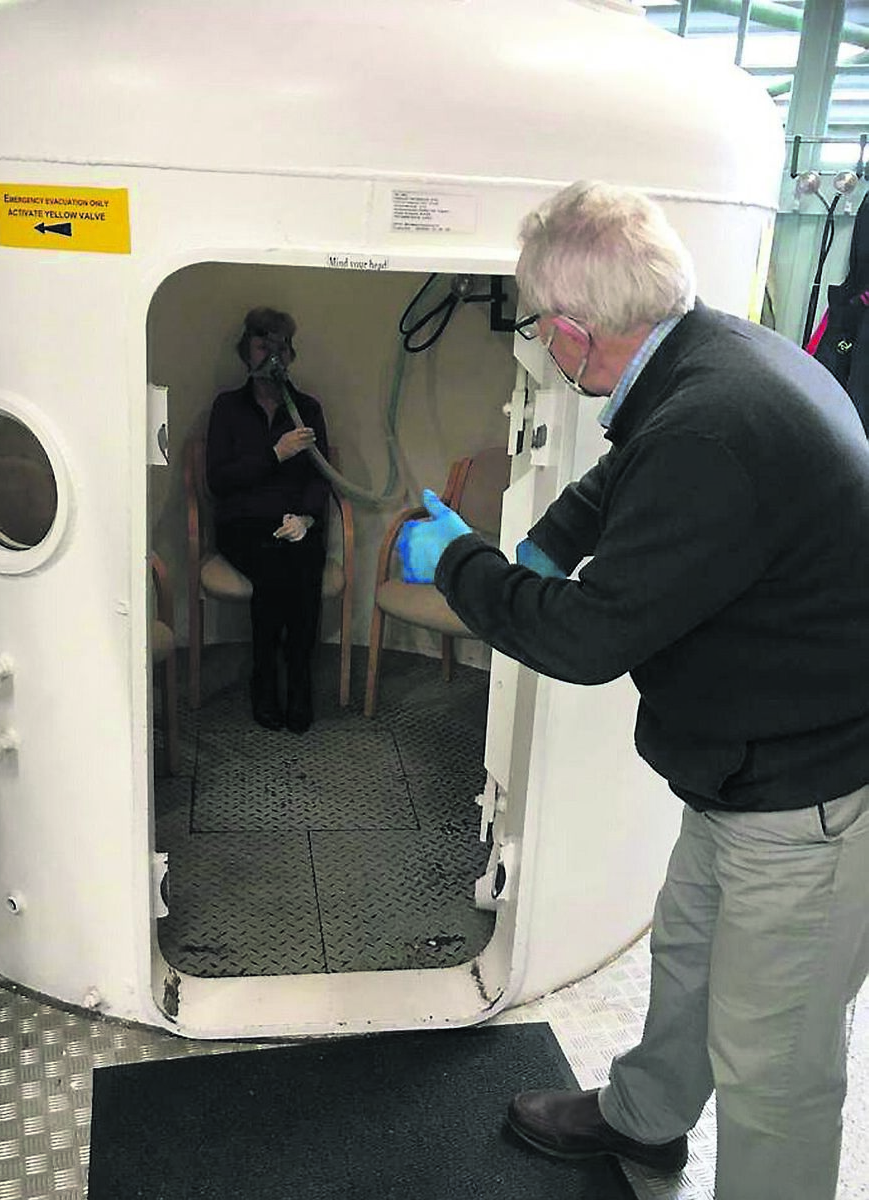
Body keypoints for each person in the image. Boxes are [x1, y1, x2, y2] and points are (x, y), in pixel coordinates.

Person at [398, 181, 869, 1200]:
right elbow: (627, 475)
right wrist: (541, 542)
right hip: (742, 770)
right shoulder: (706, 361)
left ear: (574, 332)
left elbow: (587, 637)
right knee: (691, 963)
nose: (540, 345)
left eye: (537, 328)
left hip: (811, 798)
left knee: (776, 1068)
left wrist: (459, 564)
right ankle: (644, 1123)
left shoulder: (714, 428)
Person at [205, 307, 330, 733]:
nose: (272, 356)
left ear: (291, 355)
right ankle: (266, 680)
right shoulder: (227, 408)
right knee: (278, 566)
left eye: (280, 347)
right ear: (246, 352)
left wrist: (309, 520)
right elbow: (218, 481)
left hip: (295, 523)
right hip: (243, 524)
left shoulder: (307, 410)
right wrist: (275, 453)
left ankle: (297, 681)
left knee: (303, 563)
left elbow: (321, 477)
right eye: (263, 345)